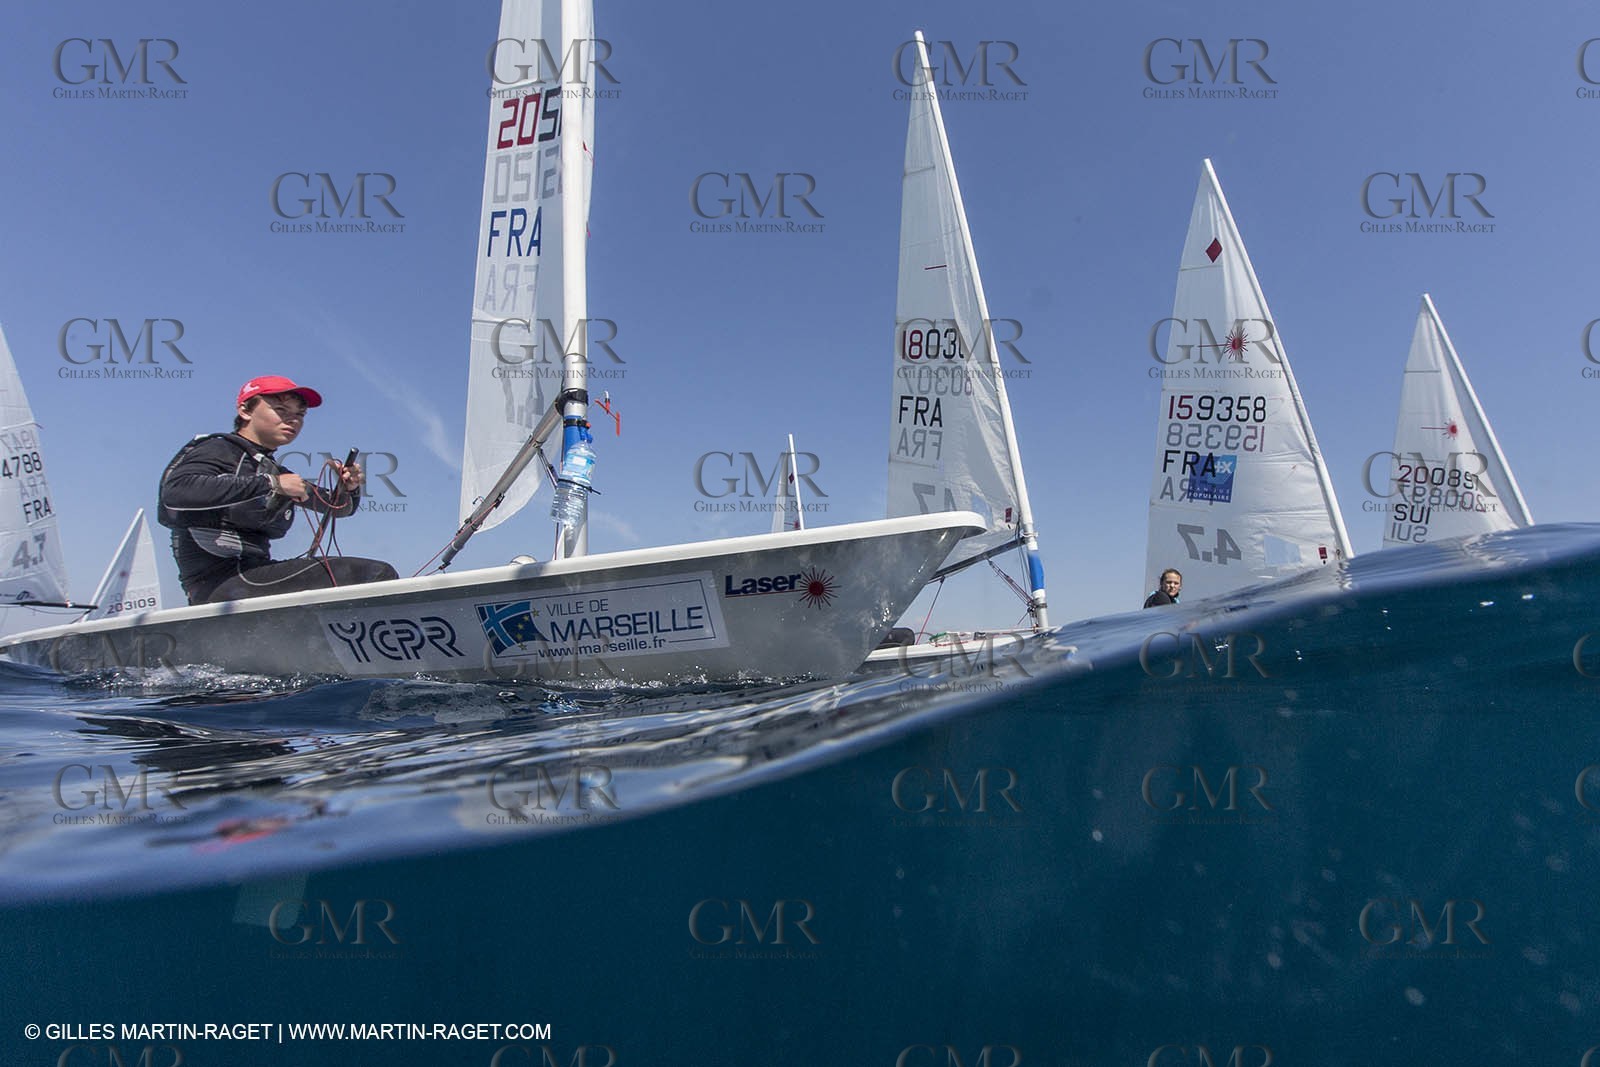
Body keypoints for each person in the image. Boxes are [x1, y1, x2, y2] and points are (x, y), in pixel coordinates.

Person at [158, 375, 398, 604]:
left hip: (254, 574)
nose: (293, 420)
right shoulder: (219, 448)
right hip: (219, 583)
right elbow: (176, 491)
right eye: (281, 410)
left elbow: (337, 508)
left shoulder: (272, 469)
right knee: (375, 574)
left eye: (300, 414)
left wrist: (349, 488)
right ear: (245, 411)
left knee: (368, 575)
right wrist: (271, 484)